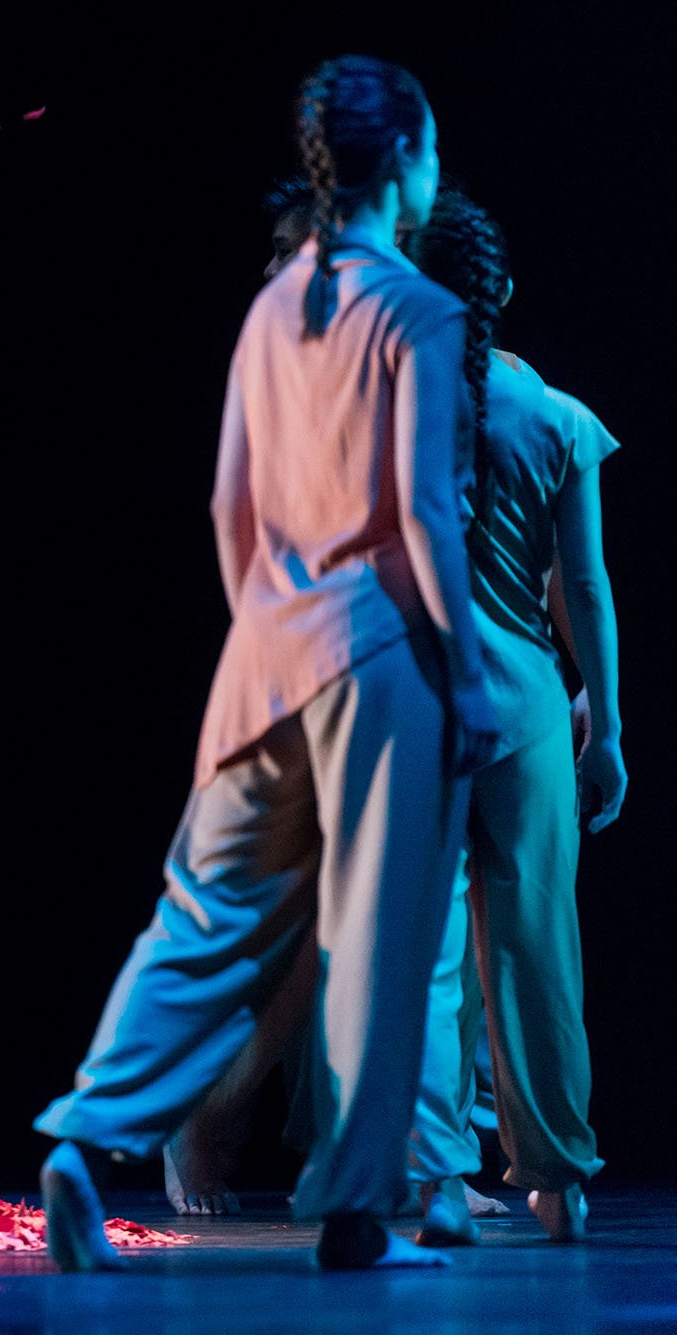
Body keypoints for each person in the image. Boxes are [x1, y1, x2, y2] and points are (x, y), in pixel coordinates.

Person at [31, 55, 497, 1272]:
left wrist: (273, 625)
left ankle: (81, 1137)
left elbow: (227, 507)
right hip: (379, 654)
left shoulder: (270, 306)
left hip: (263, 654)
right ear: (403, 159)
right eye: (431, 154)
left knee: (200, 917)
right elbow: (424, 514)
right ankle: (353, 1216)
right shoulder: (417, 311)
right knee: (375, 933)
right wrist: (467, 673)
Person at [402, 191, 622, 1246]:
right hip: (529, 706)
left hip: (414, 699)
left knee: (423, 951)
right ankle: (558, 1179)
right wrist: (607, 726)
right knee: (538, 947)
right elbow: (583, 588)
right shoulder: (558, 418)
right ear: (504, 293)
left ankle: (437, 1179)